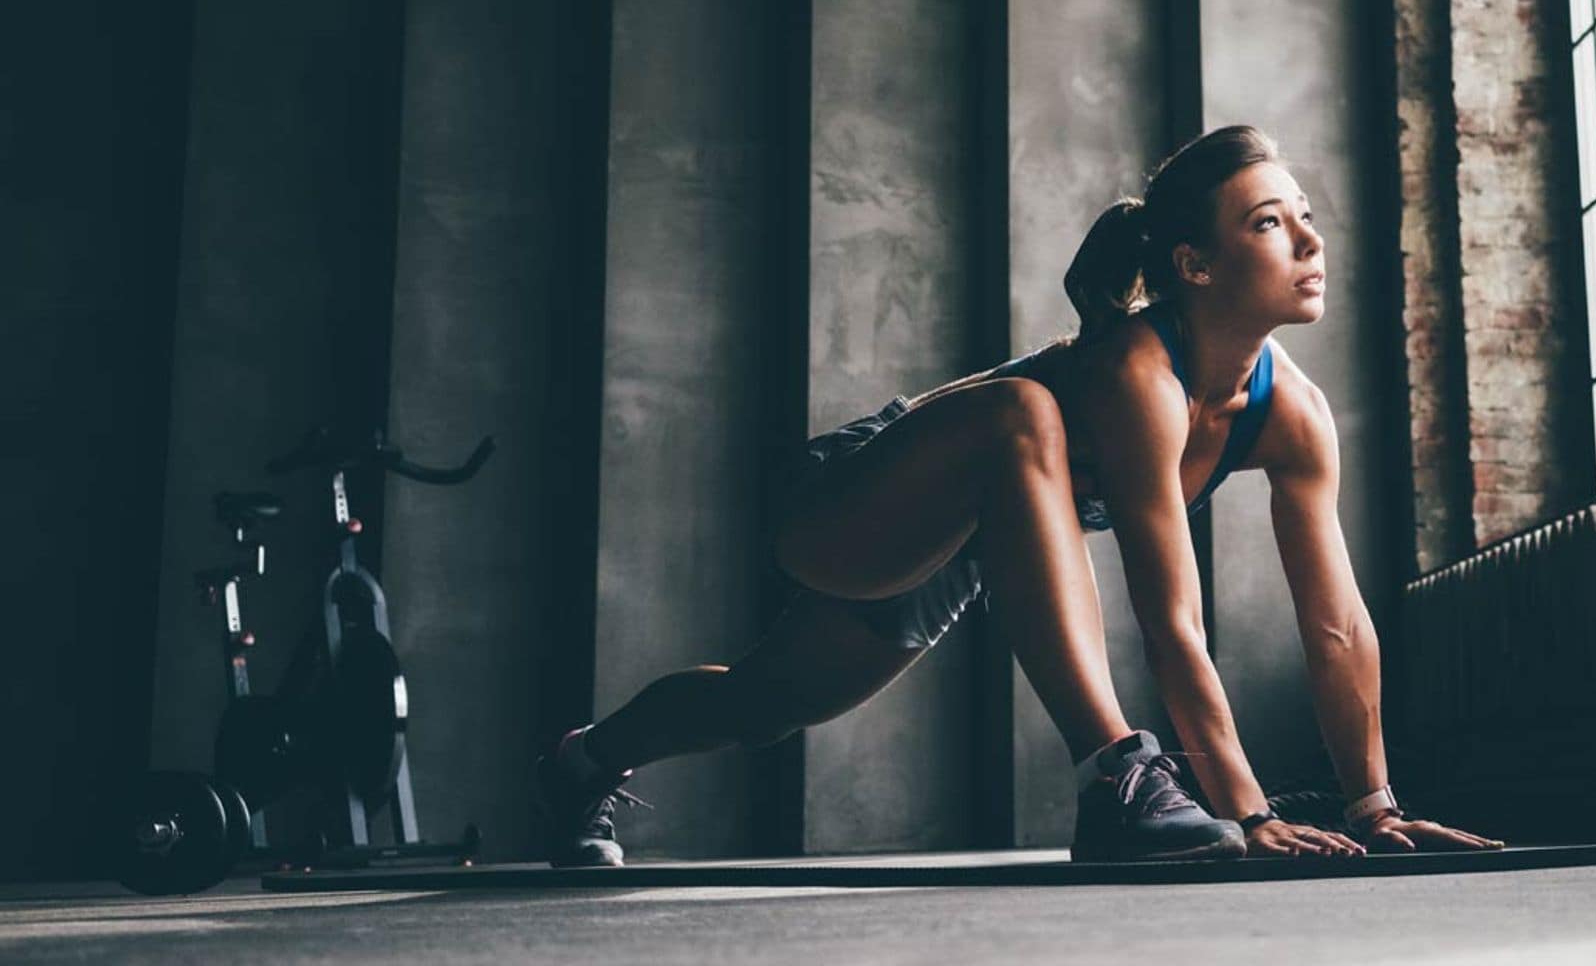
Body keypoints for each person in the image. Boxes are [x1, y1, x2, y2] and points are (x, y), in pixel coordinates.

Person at [534, 124, 1505, 867]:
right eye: (1268, 223)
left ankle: (586, 762)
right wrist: (1248, 812)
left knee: (769, 703)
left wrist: (1373, 805)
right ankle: (1116, 776)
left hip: (972, 539)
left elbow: (1336, 622)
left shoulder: (1291, 411)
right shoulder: (1139, 371)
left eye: (1301, 212)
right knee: (1024, 414)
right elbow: (1171, 621)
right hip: (847, 498)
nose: (1308, 237)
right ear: (1194, 267)